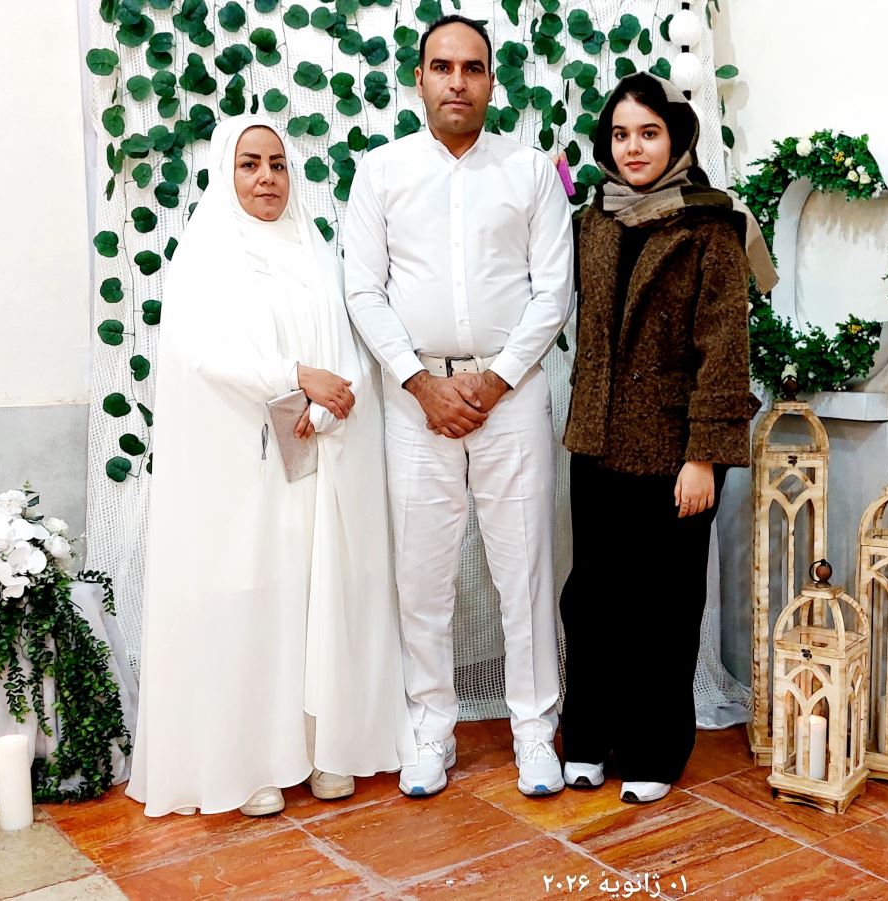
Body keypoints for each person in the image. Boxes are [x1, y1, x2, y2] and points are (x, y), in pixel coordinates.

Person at [128, 115, 417, 817]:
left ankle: (324, 747)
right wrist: (293, 377)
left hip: (319, 452)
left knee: (318, 592)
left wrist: (328, 401)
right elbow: (200, 354)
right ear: (225, 173)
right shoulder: (206, 254)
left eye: (278, 164)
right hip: (243, 463)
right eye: (250, 164)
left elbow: (351, 343)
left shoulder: (315, 250)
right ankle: (249, 757)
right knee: (253, 596)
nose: (266, 178)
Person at [343, 15, 574, 798]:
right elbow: (362, 290)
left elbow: (554, 292)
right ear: (418, 78)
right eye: (442, 66)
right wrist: (420, 383)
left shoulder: (530, 172)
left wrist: (496, 379)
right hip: (416, 402)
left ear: (491, 81)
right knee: (422, 576)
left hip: (512, 395)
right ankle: (430, 731)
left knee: (525, 571)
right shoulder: (381, 172)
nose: (457, 81)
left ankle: (534, 732)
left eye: (472, 68)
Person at [559, 74, 771, 804]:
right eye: (621, 134)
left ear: (677, 139)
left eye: (649, 133)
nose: (634, 148)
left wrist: (704, 456)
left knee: (664, 607)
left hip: (678, 455)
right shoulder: (593, 221)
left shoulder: (711, 227)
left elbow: (725, 350)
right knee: (593, 601)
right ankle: (589, 738)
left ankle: (654, 748)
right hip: (596, 442)